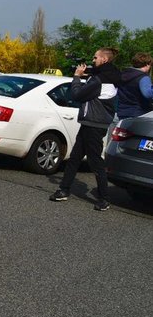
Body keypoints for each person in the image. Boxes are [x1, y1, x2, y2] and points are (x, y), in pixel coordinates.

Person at [50, 47, 121, 211]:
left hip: (94, 125)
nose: (93, 60)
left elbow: (77, 95)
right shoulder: (107, 76)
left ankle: (104, 199)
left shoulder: (100, 80)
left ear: (104, 60)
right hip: (91, 123)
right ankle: (64, 190)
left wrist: (76, 77)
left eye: (95, 57)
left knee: (95, 161)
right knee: (75, 158)